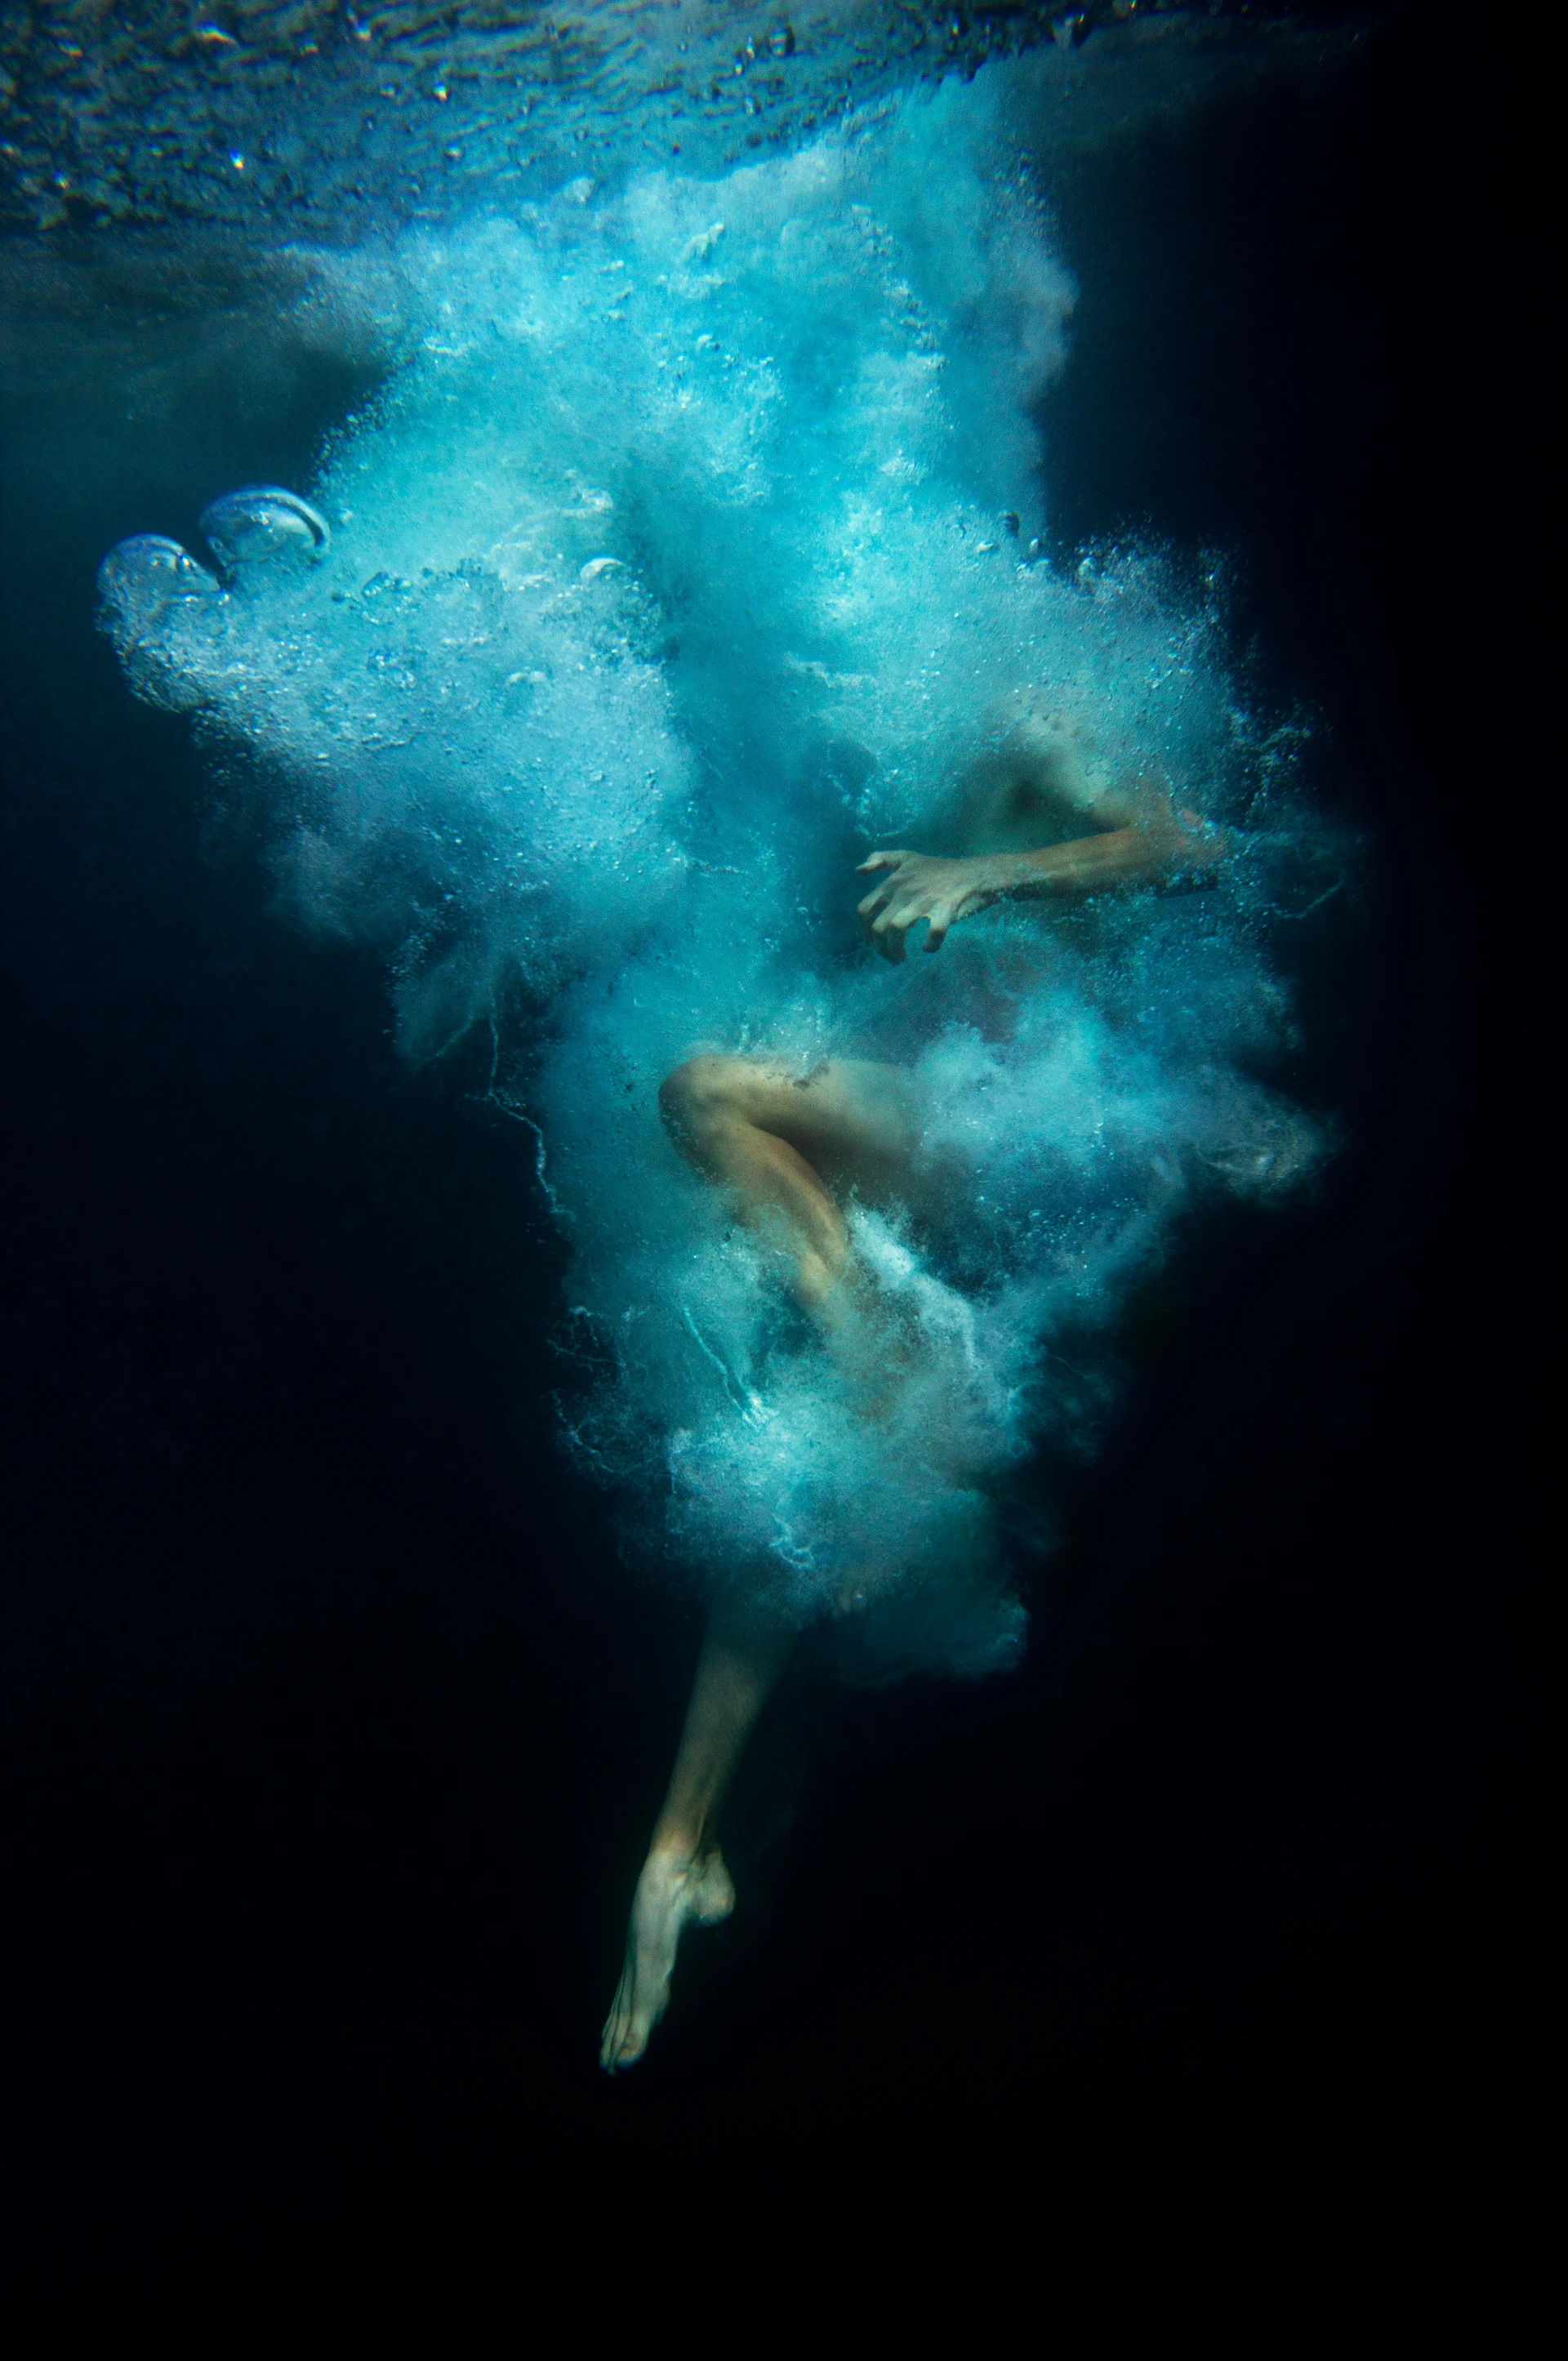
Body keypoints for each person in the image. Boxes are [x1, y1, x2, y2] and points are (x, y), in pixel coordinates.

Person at [599, 702, 1227, 2070]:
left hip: (1030, 1130)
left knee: (707, 1096)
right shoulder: (854, 734)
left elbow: (1192, 842)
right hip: (940, 1145)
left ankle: (871, 1355)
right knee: (792, 1472)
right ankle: (678, 1847)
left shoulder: (1025, 704)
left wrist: (982, 874)